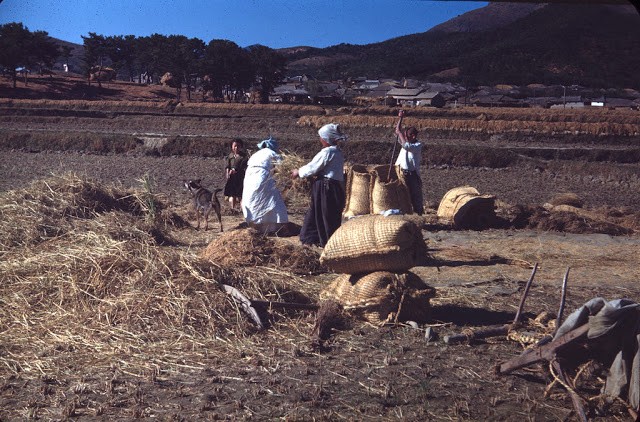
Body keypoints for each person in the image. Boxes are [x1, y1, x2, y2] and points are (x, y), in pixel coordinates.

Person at [291, 123, 347, 247]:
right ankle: (312, 238)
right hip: (333, 187)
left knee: (325, 214)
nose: (320, 139)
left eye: (321, 137)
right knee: (321, 212)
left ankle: (327, 242)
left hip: (326, 187)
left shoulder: (328, 152)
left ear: (326, 139)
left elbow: (313, 167)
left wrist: (298, 172)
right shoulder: (337, 152)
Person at [241, 137, 288, 233]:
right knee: (273, 201)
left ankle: (256, 226)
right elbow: (282, 167)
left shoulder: (256, 154)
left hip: (250, 178)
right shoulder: (272, 153)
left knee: (253, 201)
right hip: (263, 177)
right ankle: (275, 227)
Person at [394, 110, 424, 215]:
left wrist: (401, 134)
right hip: (401, 172)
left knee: (415, 196)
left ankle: (419, 215)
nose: (406, 138)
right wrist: (400, 118)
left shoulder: (418, 145)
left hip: (412, 174)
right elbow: (398, 130)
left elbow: (405, 145)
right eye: (406, 136)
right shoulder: (406, 141)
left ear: (414, 136)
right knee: (401, 196)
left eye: (408, 136)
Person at [223, 139, 248, 211]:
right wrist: (227, 174)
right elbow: (227, 166)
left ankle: (242, 210)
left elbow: (243, 166)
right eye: (235, 146)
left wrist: (235, 170)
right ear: (232, 146)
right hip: (232, 178)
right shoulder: (230, 156)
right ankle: (232, 209)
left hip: (240, 178)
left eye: (238, 146)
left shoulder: (244, 157)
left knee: (241, 194)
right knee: (232, 194)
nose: (236, 148)